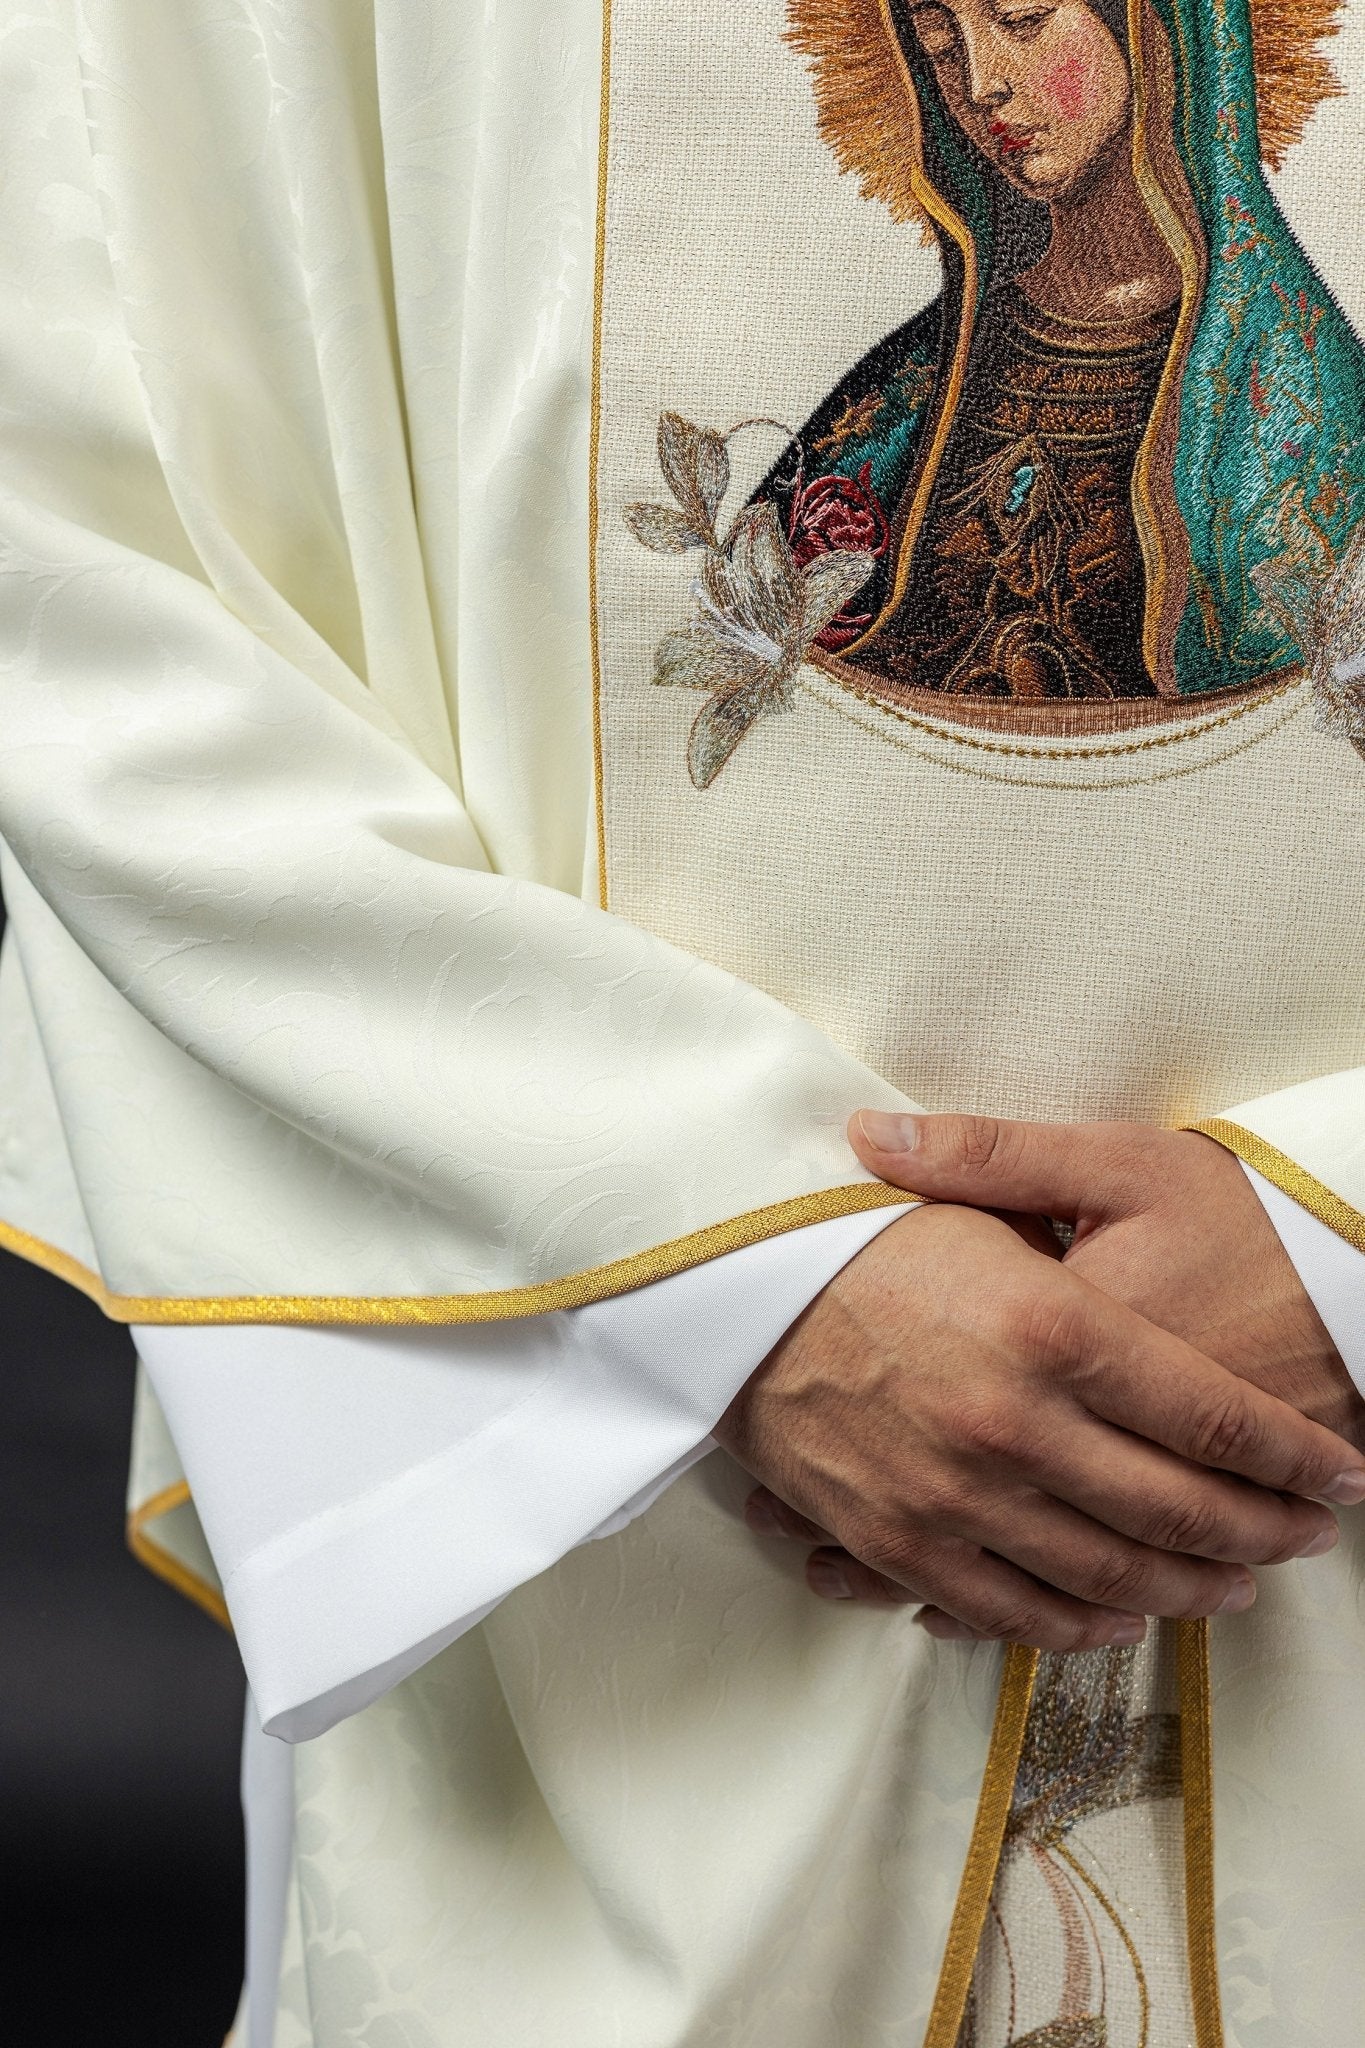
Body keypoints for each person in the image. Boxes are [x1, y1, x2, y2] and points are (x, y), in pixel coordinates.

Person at [1, 0, 1363, 2041]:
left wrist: (1342, 1239)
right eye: (938, 36)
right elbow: (85, 526)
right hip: (662, 1547)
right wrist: (730, 1268)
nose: (978, 85)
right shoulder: (874, 442)